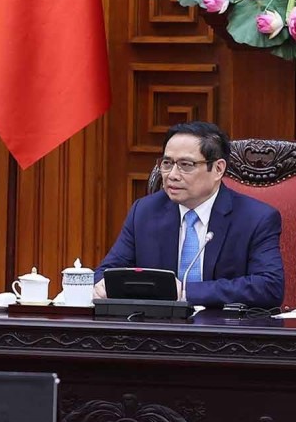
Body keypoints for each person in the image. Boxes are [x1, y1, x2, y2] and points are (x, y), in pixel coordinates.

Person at [92, 122, 284, 308]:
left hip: (225, 333)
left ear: (218, 169)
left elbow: (269, 286)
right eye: (167, 163)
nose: (172, 175)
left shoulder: (256, 218)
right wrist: (104, 285)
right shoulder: (144, 211)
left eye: (186, 165)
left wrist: (186, 291)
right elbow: (105, 273)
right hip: (156, 330)